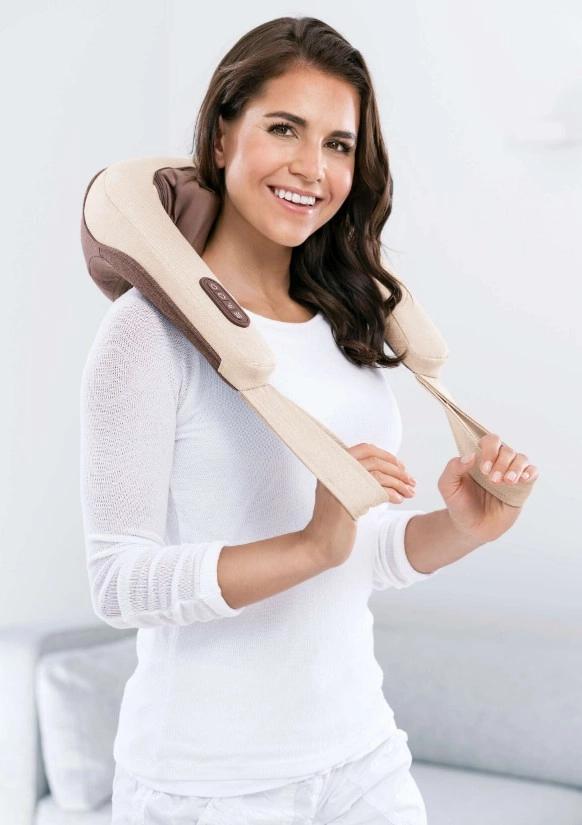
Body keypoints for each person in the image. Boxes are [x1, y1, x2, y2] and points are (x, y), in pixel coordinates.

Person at [80, 14, 536, 825]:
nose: (312, 168)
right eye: (284, 128)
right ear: (222, 135)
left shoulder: (347, 326)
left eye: (338, 144)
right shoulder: (146, 334)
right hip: (210, 785)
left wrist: (460, 528)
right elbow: (119, 582)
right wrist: (310, 544)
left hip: (362, 758)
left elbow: (357, 553)